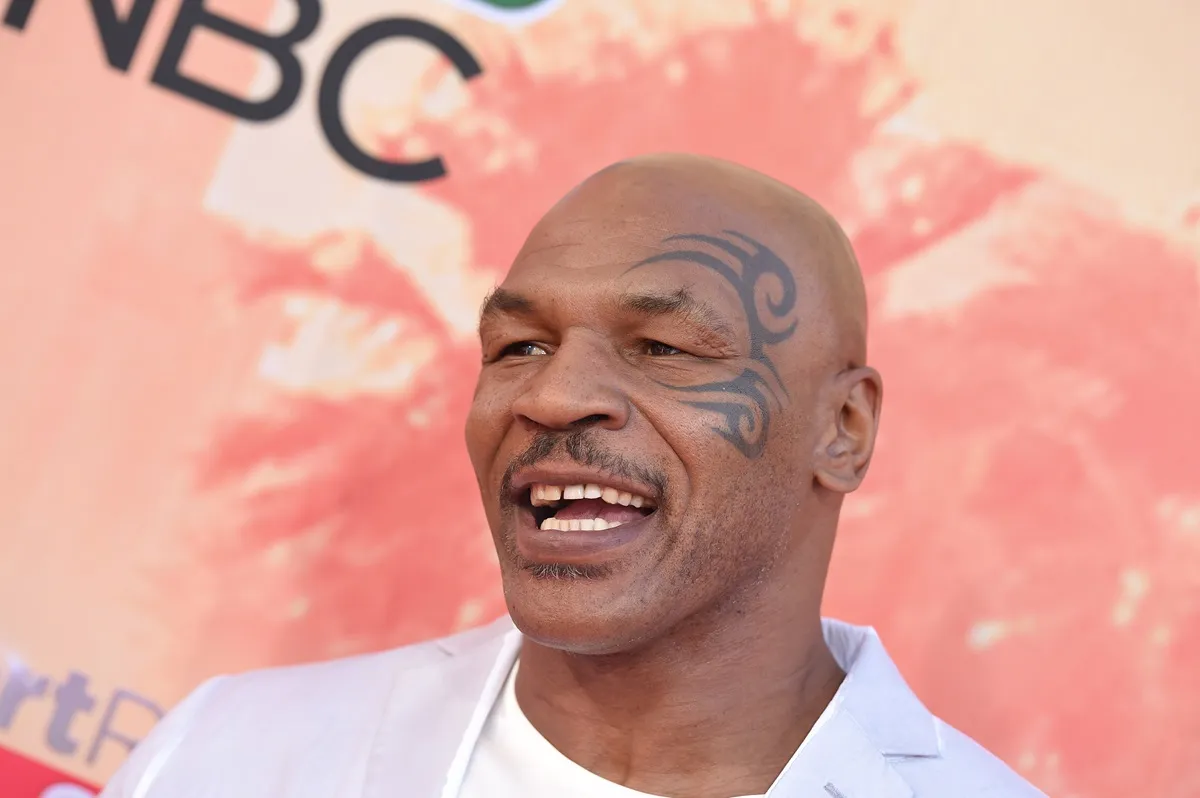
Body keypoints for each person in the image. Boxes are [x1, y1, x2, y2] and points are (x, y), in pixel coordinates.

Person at [101, 154, 1045, 797]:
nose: (552, 396)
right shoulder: (228, 752)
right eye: (520, 345)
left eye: (664, 347)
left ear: (843, 430)